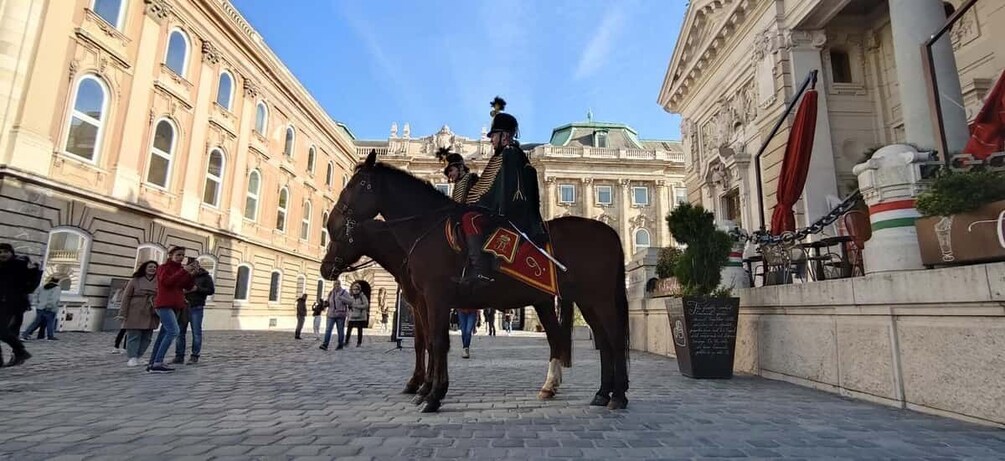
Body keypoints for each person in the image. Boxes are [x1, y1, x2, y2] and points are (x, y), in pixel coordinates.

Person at [459, 97, 546, 286]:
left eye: (494, 135)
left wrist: (477, 204)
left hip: (508, 214)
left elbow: (501, 192)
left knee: (469, 219)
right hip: (498, 209)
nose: (491, 139)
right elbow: (487, 187)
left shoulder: (510, 155)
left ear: (505, 136)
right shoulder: (502, 156)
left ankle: (481, 271)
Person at [147, 246, 195, 373]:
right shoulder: (163, 268)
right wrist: (183, 271)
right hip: (164, 304)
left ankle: (153, 362)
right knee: (174, 331)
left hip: (176, 305)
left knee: (164, 334)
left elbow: (189, 286)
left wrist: (191, 274)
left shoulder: (181, 269)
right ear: (171, 255)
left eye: (182, 255)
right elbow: (167, 282)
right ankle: (158, 362)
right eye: (178, 255)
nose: (181, 257)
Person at [0, 243, 42, 367]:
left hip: (13, 304)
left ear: (11, 253)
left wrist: (35, 271)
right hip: (2, 302)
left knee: (4, 331)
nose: (2, 254)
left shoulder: (19, 265)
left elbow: (31, 283)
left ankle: (20, 351)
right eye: (0, 252)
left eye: (5, 251)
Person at [120, 261, 159, 367]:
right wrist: (123, 312)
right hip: (135, 310)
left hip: (151, 310)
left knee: (147, 336)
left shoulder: (159, 281)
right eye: (150, 266)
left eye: (155, 267)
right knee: (134, 335)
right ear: (144, 268)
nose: (152, 268)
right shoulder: (134, 280)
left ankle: (139, 356)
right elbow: (126, 297)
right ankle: (132, 357)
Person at [174, 258, 213, 365]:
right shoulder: (182, 275)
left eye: (195, 265)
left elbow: (211, 290)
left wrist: (197, 289)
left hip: (197, 306)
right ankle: (179, 356)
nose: (193, 267)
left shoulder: (205, 277)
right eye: (191, 265)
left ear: (198, 266)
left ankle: (194, 356)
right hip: (183, 306)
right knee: (180, 332)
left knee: (196, 332)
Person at [22, 277, 61, 341]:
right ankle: (50, 335)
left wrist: (37, 304)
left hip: (40, 307)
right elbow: (54, 298)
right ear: (58, 281)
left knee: (36, 322)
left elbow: (36, 295)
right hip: (50, 308)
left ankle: (26, 334)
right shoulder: (56, 288)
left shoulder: (42, 287)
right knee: (50, 322)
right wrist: (49, 306)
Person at [320, 280, 352, 351]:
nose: (336, 285)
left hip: (340, 315)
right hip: (331, 314)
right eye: (335, 284)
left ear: (340, 284)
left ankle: (340, 345)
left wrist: (342, 299)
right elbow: (329, 301)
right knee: (328, 330)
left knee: (340, 330)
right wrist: (325, 303)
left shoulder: (344, 292)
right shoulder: (331, 292)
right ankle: (325, 344)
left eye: (338, 284)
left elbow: (350, 302)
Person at [344, 282, 370, 347]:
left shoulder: (362, 296)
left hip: (360, 316)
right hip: (352, 316)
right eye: (353, 289)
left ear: (359, 290)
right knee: (349, 329)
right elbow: (349, 304)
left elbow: (366, 305)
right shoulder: (351, 296)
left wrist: (357, 306)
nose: (355, 291)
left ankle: (359, 343)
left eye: (356, 289)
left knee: (359, 330)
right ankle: (346, 341)